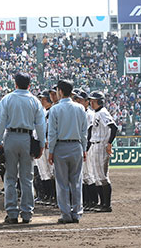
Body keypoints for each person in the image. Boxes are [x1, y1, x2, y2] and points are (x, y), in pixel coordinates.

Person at [0, 72, 46, 224]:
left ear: (15, 84)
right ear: (29, 85)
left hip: (10, 136)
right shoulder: (35, 101)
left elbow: (1, 122)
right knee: (27, 178)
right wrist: (41, 144)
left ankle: (11, 213)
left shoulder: (7, 99)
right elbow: (41, 125)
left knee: (10, 177)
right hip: (27, 138)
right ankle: (27, 213)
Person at [47, 80, 88, 224]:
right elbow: (84, 132)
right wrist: (84, 148)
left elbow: (52, 133)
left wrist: (51, 152)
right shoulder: (80, 108)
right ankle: (77, 213)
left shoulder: (55, 109)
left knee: (62, 183)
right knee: (76, 181)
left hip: (60, 147)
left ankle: (65, 214)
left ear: (59, 91)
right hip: (76, 145)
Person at [88, 91, 117, 213]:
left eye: (93, 101)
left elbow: (114, 127)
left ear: (100, 101)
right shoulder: (96, 113)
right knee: (96, 176)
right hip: (94, 145)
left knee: (103, 176)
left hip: (101, 146)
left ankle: (107, 205)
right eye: (91, 100)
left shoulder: (103, 112)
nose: (91, 102)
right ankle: (101, 203)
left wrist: (109, 143)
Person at [73, 90, 97, 211]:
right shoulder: (80, 112)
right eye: (76, 100)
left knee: (89, 174)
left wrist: (85, 149)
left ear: (87, 102)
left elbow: (89, 132)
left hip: (89, 147)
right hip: (82, 146)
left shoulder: (90, 114)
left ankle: (94, 201)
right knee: (83, 175)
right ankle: (87, 201)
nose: (77, 102)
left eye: (80, 100)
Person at [35, 90, 55, 206]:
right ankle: (47, 196)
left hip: (48, 144)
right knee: (43, 172)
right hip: (41, 143)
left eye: (43, 98)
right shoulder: (43, 112)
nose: (41, 100)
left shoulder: (52, 111)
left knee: (50, 172)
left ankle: (52, 196)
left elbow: (50, 128)